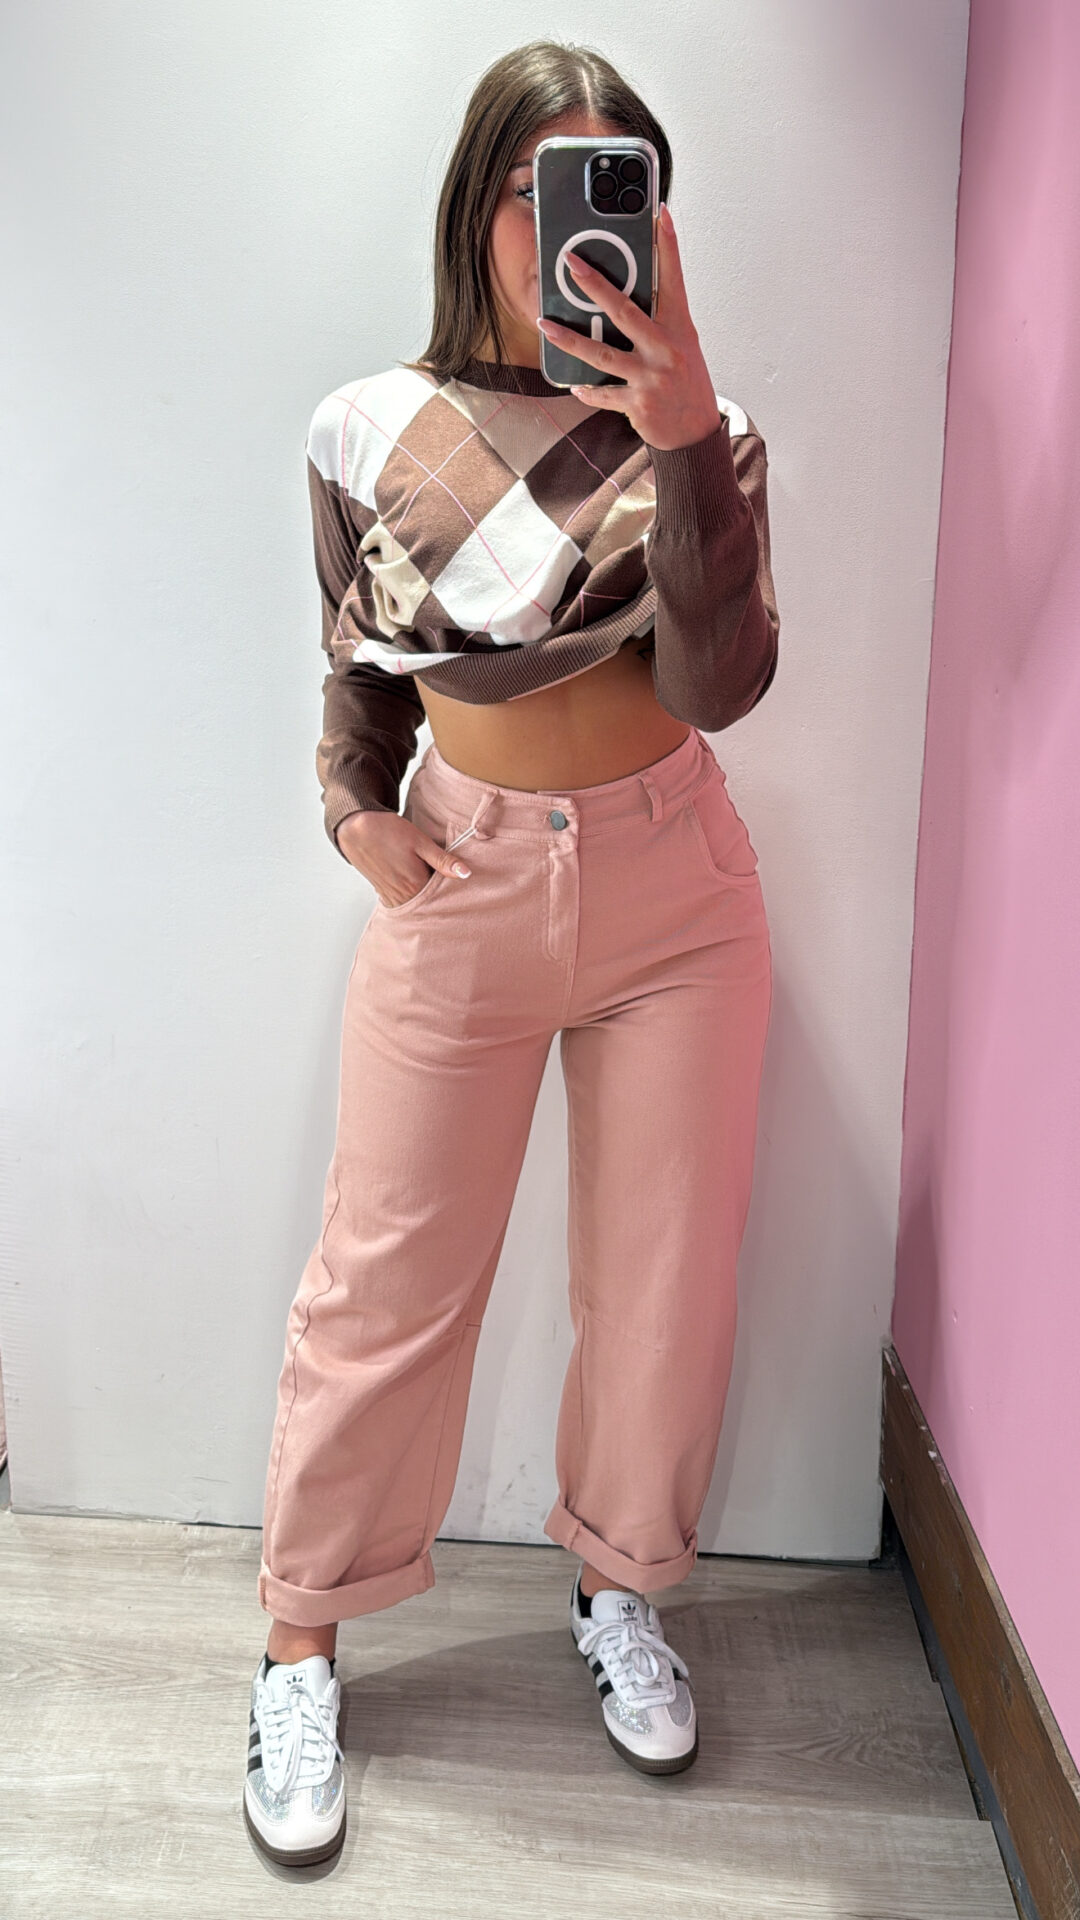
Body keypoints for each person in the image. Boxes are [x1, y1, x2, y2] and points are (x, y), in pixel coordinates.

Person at [243, 38, 779, 1868]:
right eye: (546, 193)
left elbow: (725, 683)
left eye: (621, 193)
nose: (576, 236)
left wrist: (686, 435)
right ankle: (299, 1642)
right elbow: (356, 667)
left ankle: (620, 1587)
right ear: (483, 206)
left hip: (675, 887)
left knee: (662, 1284)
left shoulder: (707, 435)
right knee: (381, 1282)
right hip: (460, 884)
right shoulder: (363, 428)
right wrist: (354, 813)